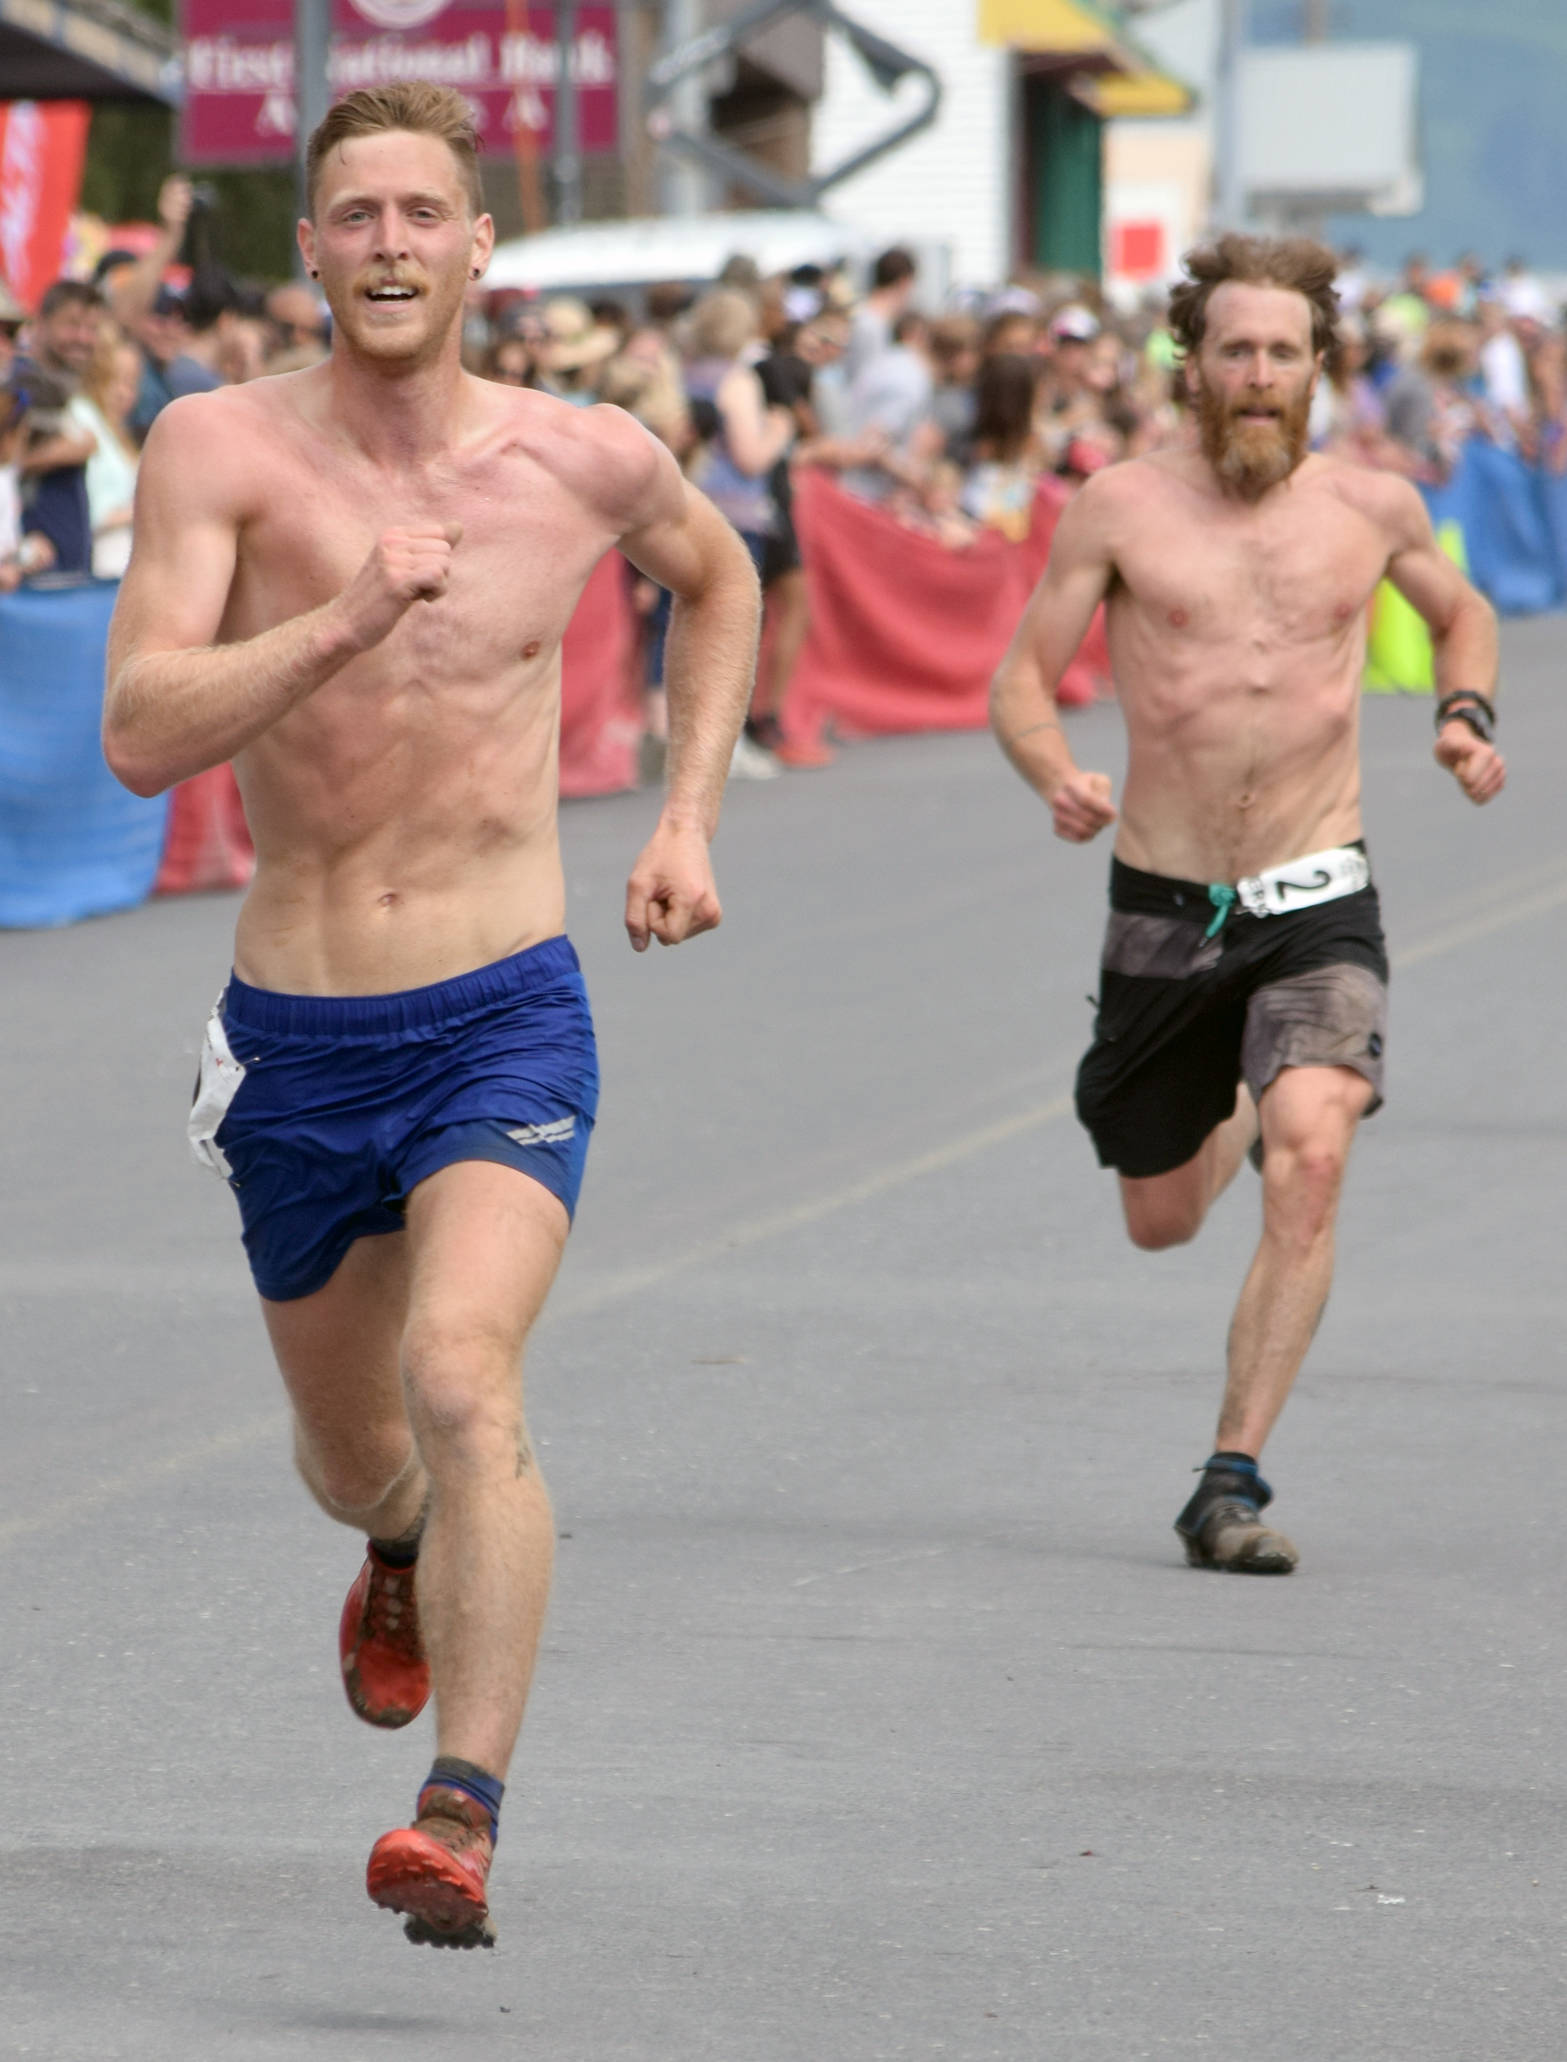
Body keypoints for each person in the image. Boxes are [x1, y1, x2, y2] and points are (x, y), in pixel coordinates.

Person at [103, 81, 760, 1950]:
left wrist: (691, 814)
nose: (390, 244)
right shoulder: (214, 450)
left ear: (481, 248)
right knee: (352, 1457)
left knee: (467, 1372)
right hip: (298, 1030)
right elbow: (142, 732)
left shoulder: (582, 457)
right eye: (354, 215)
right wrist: (341, 620)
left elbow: (723, 578)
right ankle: (396, 1548)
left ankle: (460, 1811)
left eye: (423, 214)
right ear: (307, 248)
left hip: (505, 1007)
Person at [989, 234, 1505, 1575]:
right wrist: (1055, 770)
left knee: (1317, 1147)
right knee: (1158, 1214)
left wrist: (1463, 715)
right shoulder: (1117, 507)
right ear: (1193, 361)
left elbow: (1466, 617)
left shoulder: (1372, 506)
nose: (1261, 374)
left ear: (1319, 365)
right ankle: (1237, 1095)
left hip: (1319, 888)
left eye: (1285, 351)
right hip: (1165, 900)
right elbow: (1022, 681)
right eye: (1236, 350)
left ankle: (1230, 1477)